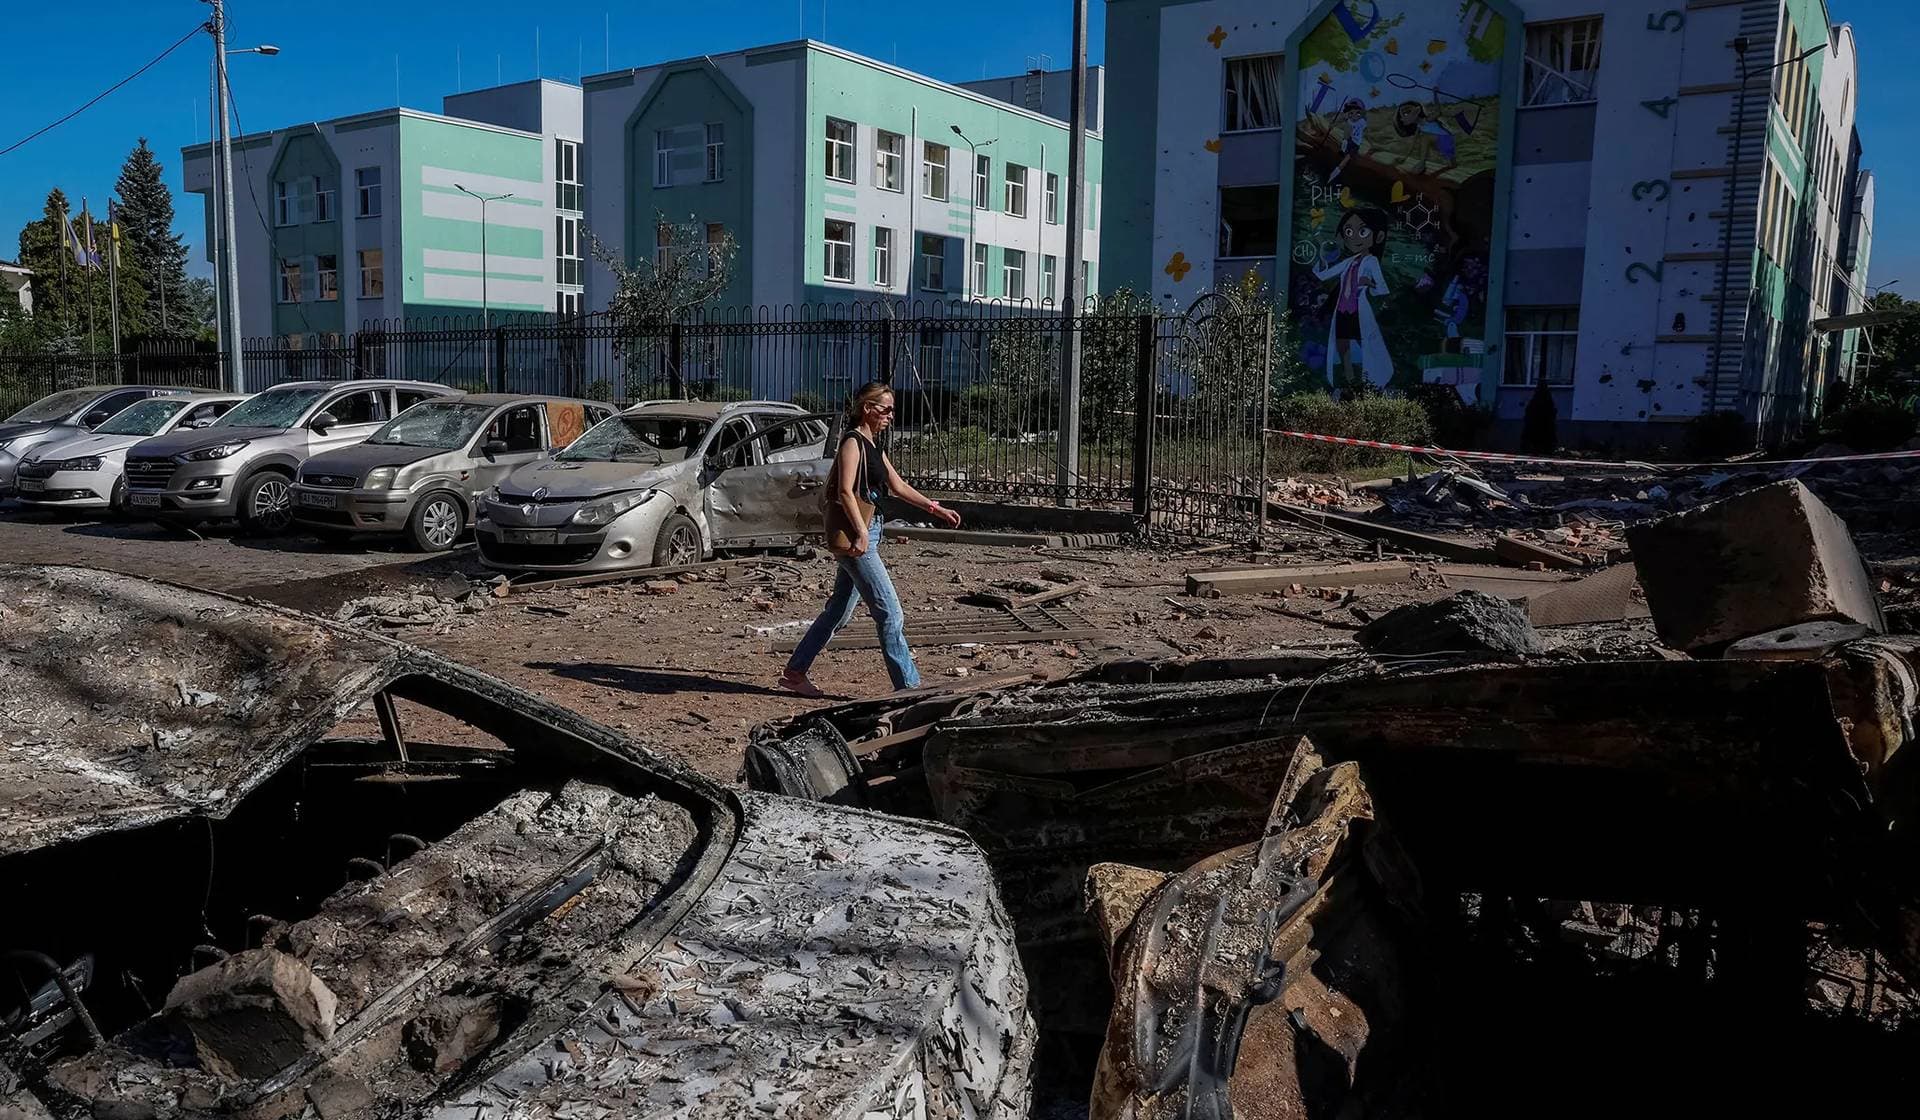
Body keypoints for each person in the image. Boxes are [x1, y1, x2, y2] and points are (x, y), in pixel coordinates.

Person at [779, 382, 961, 697]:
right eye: (886, 409)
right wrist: (862, 533)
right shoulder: (852, 443)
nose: (891, 415)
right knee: (890, 612)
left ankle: (796, 673)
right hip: (857, 536)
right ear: (868, 408)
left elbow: (898, 485)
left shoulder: (872, 443)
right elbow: (845, 491)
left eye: (892, 410)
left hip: (868, 531)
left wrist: (935, 507)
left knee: (839, 610)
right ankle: (909, 688)